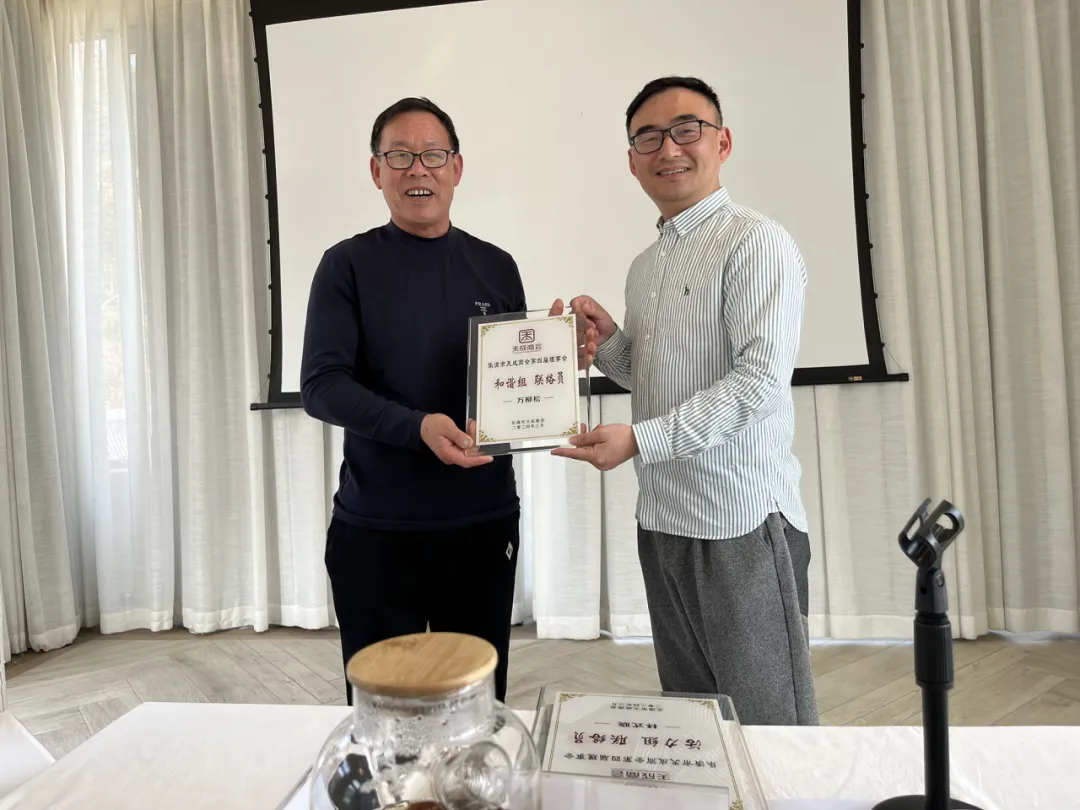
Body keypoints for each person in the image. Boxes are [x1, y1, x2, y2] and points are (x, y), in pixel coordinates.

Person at [553, 76, 819, 725]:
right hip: (664, 519)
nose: (668, 148)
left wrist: (640, 440)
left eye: (686, 130)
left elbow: (759, 382)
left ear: (721, 142)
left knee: (769, 725)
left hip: (740, 522)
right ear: (632, 160)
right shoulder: (645, 266)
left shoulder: (756, 242)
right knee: (695, 720)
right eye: (648, 137)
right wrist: (609, 344)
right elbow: (652, 377)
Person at [300, 97, 529, 703]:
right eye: (399, 156)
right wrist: (418, 426)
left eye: (432, 155)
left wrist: (558, 359)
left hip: (482, 525)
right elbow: (321, 385)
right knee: (384, 715)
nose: (417, 169)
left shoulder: (497, 266)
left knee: (477, 708)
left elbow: (512, 382)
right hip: (378, 528)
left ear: (457, 167)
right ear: (376, 171)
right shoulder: (345, 265)